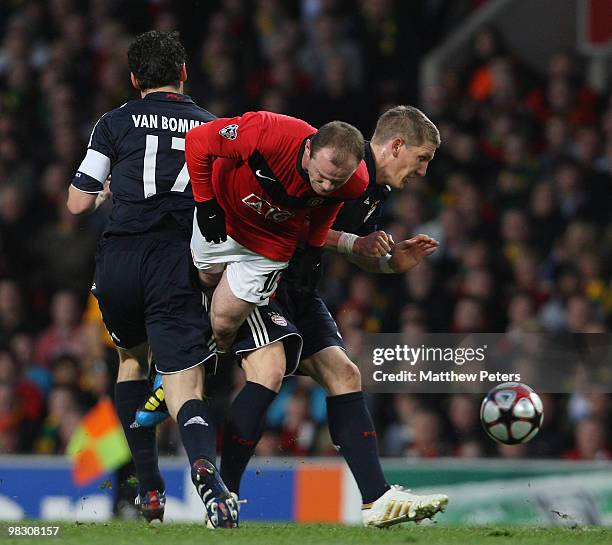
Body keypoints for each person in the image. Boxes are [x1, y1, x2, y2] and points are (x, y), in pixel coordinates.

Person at [140, 106, 449, 527]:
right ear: (397, 145)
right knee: (268, 369)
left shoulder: (373, 191)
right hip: (269, 274)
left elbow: (329, 240)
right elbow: (298, 224)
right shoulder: (341, 166)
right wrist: (352, 246)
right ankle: (224, 494)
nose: (423, 171)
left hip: (301, 289)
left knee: (345, 375)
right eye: (422, 158)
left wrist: (390, 264)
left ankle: (376, 499)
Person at [66, 30, 238, 528]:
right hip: (173, 260)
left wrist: (101, 196)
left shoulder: (113, 122)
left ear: (134, 78)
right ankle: (205, 470)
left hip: (118, 260)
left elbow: (77, 201)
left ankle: (149, 488)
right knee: (185, 379)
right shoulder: (211, 126)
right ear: (184, 74)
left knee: (130, 361)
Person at [185, 113, 369, 354]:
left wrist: (314, 250)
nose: (325, 187)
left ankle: (213, 365)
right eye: (321, 176)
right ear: (308, 148)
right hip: (224, 215)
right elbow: (197, 140)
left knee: (224, 323)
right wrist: (205, 203)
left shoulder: (356, 182)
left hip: (272, 241)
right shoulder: (264, 133)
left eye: (336, 182)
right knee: (206, 279)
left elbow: (327, 208)